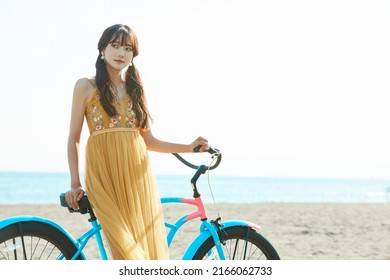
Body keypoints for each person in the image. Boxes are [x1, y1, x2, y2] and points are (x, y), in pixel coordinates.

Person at [65, 24, 209, 260]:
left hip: (136, 177)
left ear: (133, 55)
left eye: (127, 48)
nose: (121, 53)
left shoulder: (136, 91)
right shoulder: (85, 86)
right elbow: (73, 138)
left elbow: (147, 140)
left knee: (141, 246)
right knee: (126, 249)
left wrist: (188, 147)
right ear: (102, 49)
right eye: (115, 45)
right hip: (105, 173)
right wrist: (75, 184)